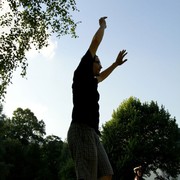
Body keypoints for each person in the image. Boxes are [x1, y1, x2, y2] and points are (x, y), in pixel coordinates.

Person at [67, 17, 128, 180]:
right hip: (81, 130)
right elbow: (95, 42)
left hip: (92, 132)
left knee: (106, 173)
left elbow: (102, 76)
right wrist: (102, 26)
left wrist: (115, 64)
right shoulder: (81, 72)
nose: (100, 66)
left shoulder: (92, 81)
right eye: (98, 62)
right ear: (89, 63)